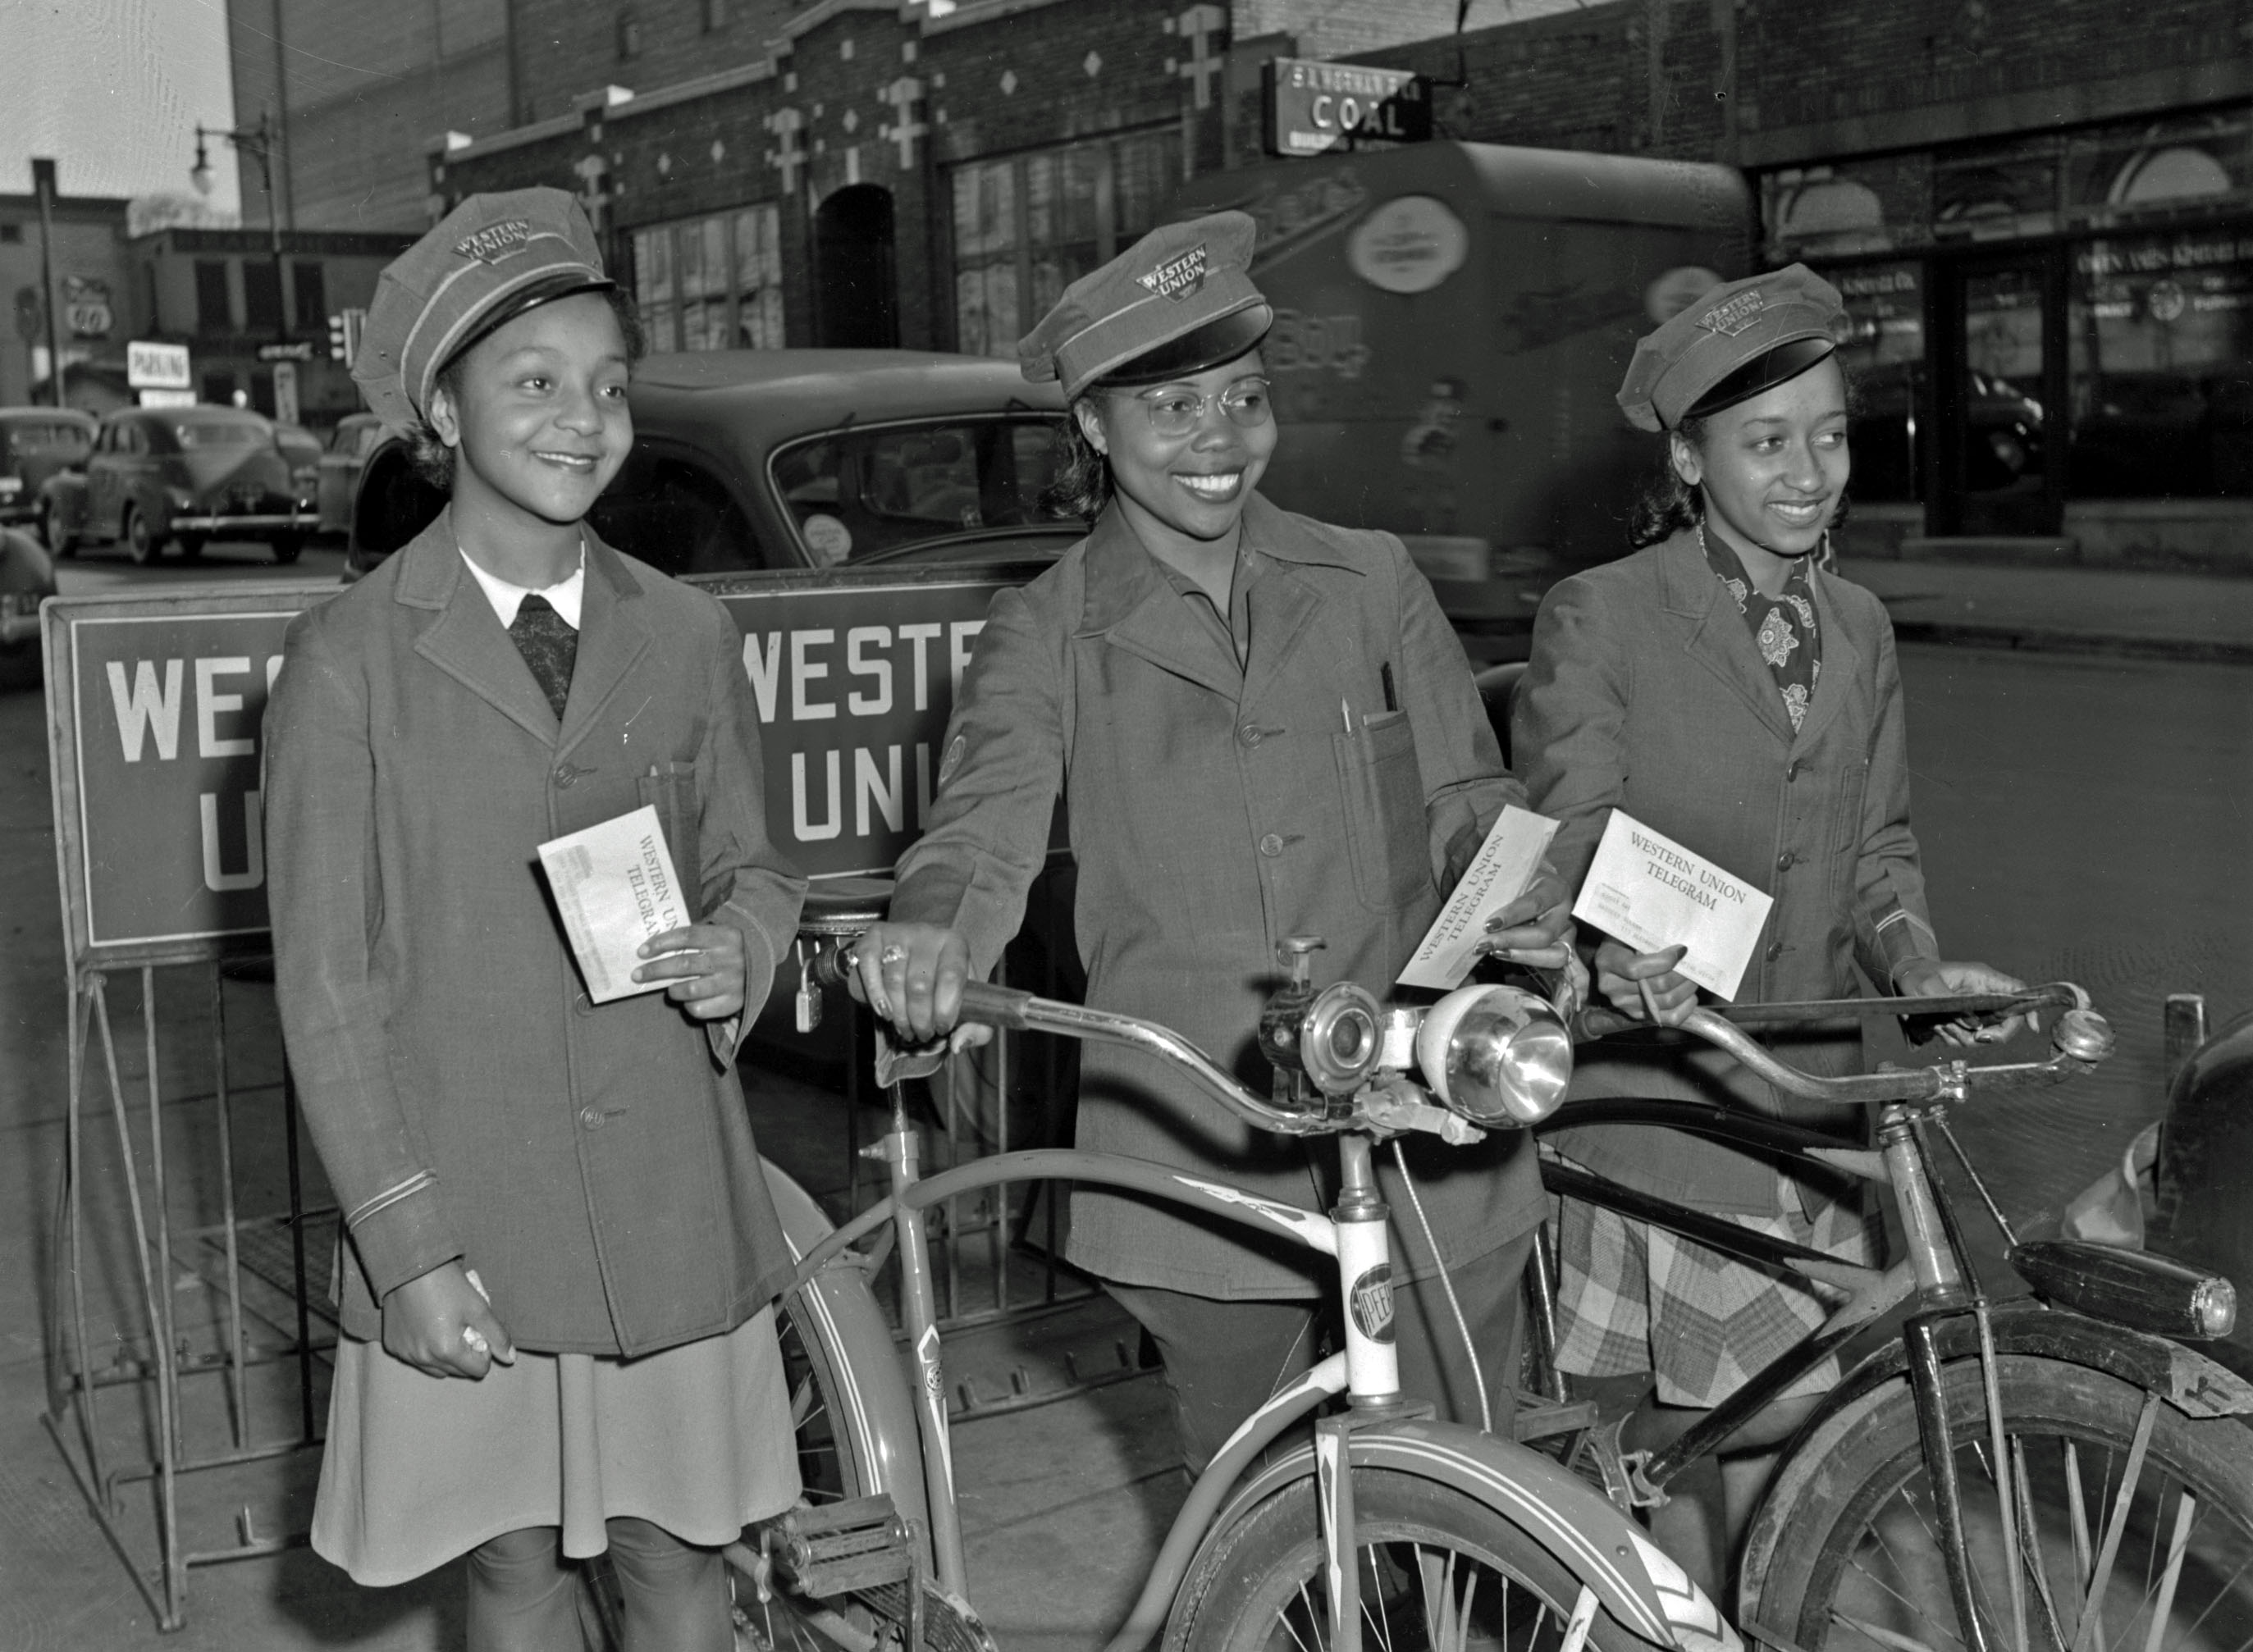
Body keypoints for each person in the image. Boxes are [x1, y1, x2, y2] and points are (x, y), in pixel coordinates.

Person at [846, 212, 1578, 1472]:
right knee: (1252, 1515)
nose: (1218, 441)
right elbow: (983, 825)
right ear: (1091, 426)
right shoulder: (1046, 630)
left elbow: (1468, 796)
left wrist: (1526, 899)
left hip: (1417, 1125)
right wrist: (935, 933)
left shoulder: (1368, 579)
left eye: (1242, 398)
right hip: (1197, 1136)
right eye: (1171, 407)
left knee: (1478, 1503)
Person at [264, 189, 806, 1651]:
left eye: (610, 385)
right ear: (441, 409)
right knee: (508, 1569)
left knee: (678, 1556)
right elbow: (323, 987)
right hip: (473, 1200)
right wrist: (408, 1250)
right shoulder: (347, 661)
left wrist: (739, 946)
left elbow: (757, 869)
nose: (584, 419)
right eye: (534, 384)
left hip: (671, 1198)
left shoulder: (689, 635)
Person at [1511, 264, 2031, 1592]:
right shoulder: (1604, 614)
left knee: (1788, 1428)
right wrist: (1601, 942)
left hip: (1811, 1098)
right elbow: (1566, 832)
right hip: (1661, 1096)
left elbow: (1877, 851)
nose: (1809, 472)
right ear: (1686, 459)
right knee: (1681, 1440)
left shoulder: (1855, 629)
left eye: (1829, 434)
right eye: (1764, 443)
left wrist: (1915, 963)